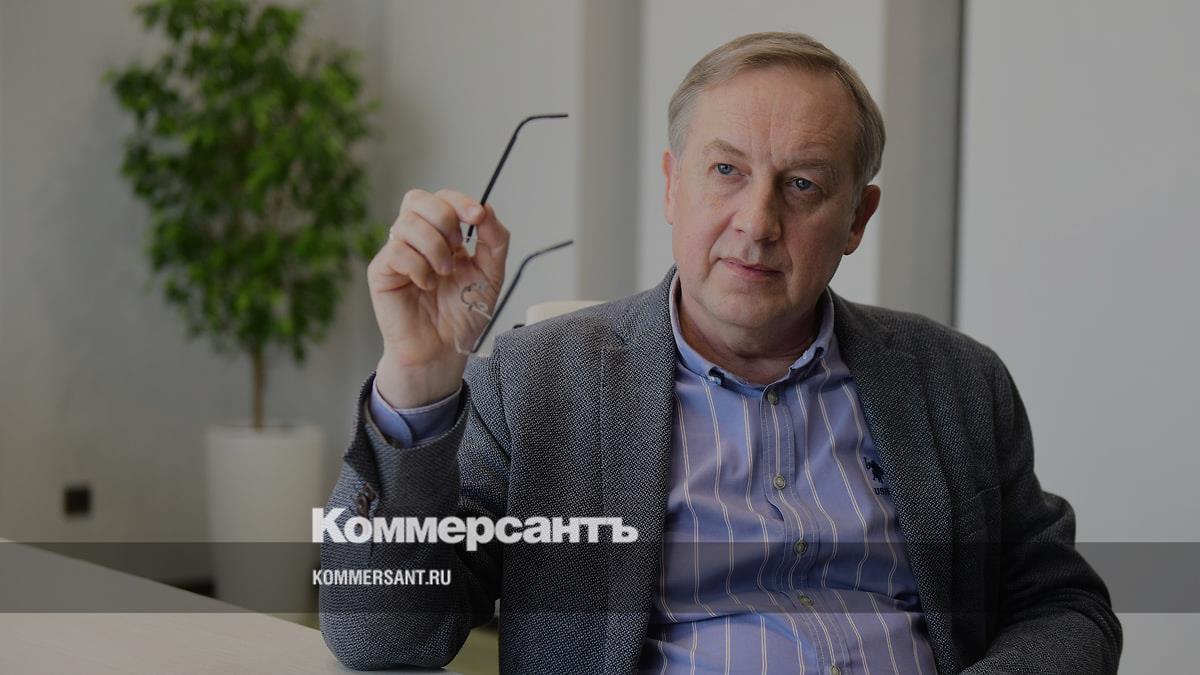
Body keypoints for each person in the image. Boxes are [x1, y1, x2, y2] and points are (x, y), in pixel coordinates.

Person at [319, 32, 1121, 674]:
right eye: (727, 170)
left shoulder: (957, 381)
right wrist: (417, 380)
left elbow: (1064, 606)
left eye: (803, 184)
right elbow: (382, 635)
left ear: (857, 217)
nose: (757, 222)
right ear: (673, 186)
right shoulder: (535, 386)